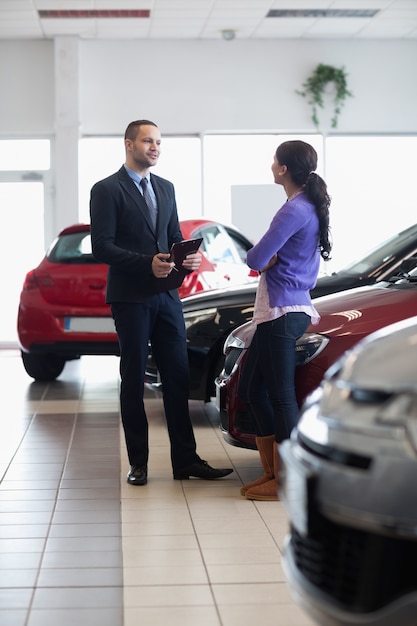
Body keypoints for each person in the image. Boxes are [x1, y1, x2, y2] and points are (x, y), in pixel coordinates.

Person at [89, 119, 233, 485]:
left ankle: (185, 460)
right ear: (128, 144)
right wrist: (145, 264)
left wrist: (188, 261)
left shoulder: (166, 188)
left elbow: (172, 238)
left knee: (178, 377)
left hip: (168, 298)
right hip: (131, 299)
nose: (154, 147)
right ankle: (138, 463)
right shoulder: (106, 189)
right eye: (147, 141)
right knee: (134, 378)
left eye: (157, 142)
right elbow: (101, 246)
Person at [238, 140, 332, 501]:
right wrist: (267, 259)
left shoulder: (294, 210)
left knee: (280, 395)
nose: (271, 164)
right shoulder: (305, 205)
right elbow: (264, 259)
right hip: (278, 311)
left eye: (274, 159)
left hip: (283, 311)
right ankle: (272, 472)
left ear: (283, 169)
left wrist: (265, 257)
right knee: (252, 390)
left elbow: (255, 257)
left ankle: (286, 479)